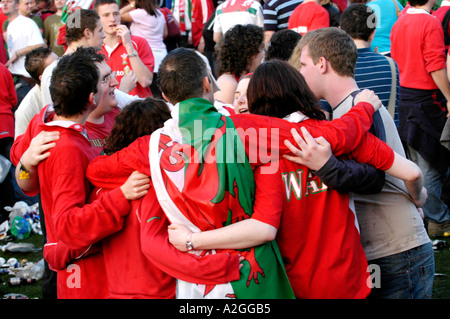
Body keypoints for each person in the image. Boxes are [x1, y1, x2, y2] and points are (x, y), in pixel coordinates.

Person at [86, 47, 410, 299]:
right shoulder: (246, 130)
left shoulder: (150, 147)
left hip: (199, 282)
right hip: (251, 273)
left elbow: (97, 171)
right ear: (206, 83)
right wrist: (365, 107)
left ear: (166, 96)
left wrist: (125, 189)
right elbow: (335, 136)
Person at [294, 27, 434, 299]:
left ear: (322, 64)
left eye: (303, 65)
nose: (300, 73)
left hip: (394, 249)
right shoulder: (351, 110)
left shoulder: (357, 111)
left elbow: (404, 174)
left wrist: (418, 198)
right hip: (391, 246)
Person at [10, 47, 149, 299]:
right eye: (106, 79)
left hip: (110, 251)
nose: (115, 81)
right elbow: (32, 189)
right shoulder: (51, 129)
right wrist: (26, 165)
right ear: (90, 95)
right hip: (83, 261)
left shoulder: (119, 117)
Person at [391, 0, 450, 237]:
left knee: (418, 161)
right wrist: (448, 96)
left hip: (406, 97)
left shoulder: (401, 19)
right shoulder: (429, 22)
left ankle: (429, 217)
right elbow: (435, 65)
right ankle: (438, 220)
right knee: (431, 163)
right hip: (426, 99)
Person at [340, 4, 400, 126]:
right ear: (372, 34)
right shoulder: (390, 65)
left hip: (348, 140)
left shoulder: (336, 66)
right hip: (384, 140)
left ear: (341, 30)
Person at [94, 0, 154, 98]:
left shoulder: (139, 42)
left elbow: (145, 81)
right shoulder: (94, 48)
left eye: (116, 14)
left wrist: (129, 46)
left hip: (138, 109)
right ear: (97, 20)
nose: (112, 19)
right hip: (110, 110)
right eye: (106, 15)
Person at [119, 0, 165, 97]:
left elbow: (119, 14)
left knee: (151, 91)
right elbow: (165, 33)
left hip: (146, 55)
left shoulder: (140, 13)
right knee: (160, 93)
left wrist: (132, 4)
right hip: (162, 55)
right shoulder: (160, 13)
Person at [3, 0, 44, 106]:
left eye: (8, 1)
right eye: (3, 1)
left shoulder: (28, 23)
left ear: (17, 5)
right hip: (15, 79)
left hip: (26, 80)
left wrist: (18, 53)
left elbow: (39, 45)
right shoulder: (10, 25)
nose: (5, 4)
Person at [214, 24, 265, 104]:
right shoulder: (228, 84)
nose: (263, 53)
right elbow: (225, 115)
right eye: (262, 48)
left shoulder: (240, 79)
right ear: (251, 53)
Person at [15, 47, 58, 138]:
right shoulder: (25, 111)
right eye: (55, 67)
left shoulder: (70, 89)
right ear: (43, 77)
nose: (63, 66)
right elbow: (21, 150)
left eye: (59, 61)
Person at [0, 62, 17, 223]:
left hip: (4, 121)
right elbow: (13, 99)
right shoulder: (3, 69)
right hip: (6, 123)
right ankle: (10, 209)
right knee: (9, 170)